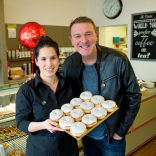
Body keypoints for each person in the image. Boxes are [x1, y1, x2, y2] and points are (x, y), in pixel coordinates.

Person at [62, 16, 141, 156]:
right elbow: (61, 91)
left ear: (96, 35)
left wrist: (120, 132)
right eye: (77, 36)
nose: (84, 40)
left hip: (112, 137)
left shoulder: (118, 59)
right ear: (72, 40)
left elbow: (134, 96)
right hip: (87, 136)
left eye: (88, 34)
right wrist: (35, 83)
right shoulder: (69, 63)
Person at [16, 36, 79, 156]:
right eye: (43, 59)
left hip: (68, 149)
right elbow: (21, 123)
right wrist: (43, 125)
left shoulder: (70, 85)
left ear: (58, 58)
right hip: (40, 151)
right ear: (36, 61)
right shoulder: (27, 90)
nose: (49, 64)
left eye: (53, 58)